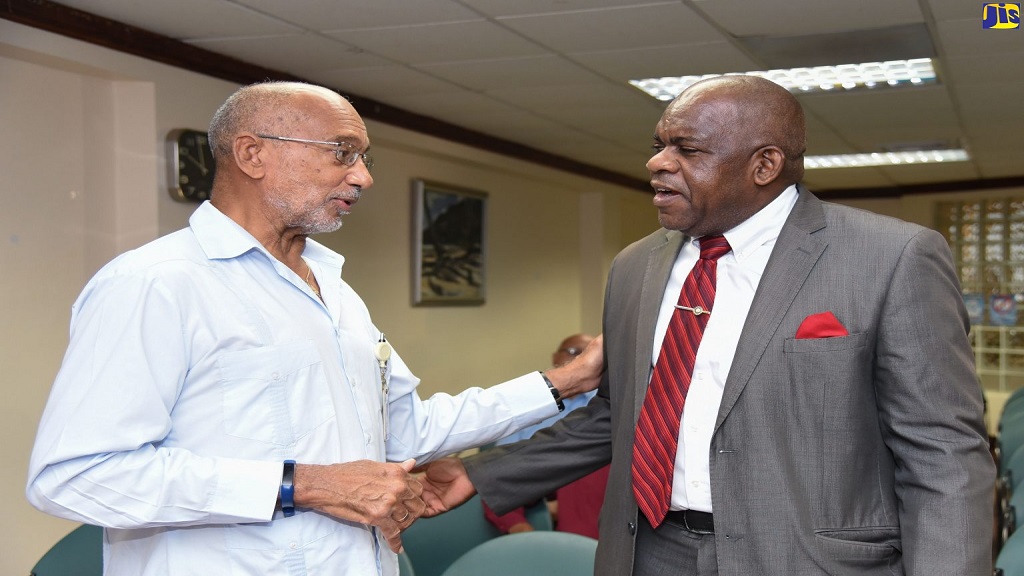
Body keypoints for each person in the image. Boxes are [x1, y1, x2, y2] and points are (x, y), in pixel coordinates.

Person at [420, 75, 995, 575]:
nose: (656, 163)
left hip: (809, 561)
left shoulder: (890, 257)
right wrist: (484, 474)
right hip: (651, 552)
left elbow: (941, 453)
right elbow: (621, 418)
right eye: (659, 146)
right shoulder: (635, 266)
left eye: (686, 149)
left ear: (764, 165)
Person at [25, 81, 603, 576]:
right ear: (252, 154)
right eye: (342, 152)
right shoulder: (156, 284)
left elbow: (406, 430)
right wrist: (302, 485)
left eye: (363, 158)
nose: (363, 178)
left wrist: (566, 381)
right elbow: (77, 475)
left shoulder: (335, 292)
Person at [482, 334, 610, 538]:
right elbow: (504, 471)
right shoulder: (533, 405)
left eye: (591, 354)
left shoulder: (607, 409)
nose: (583, 360)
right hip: (546, 492)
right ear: (554, 357)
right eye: (574, 352)